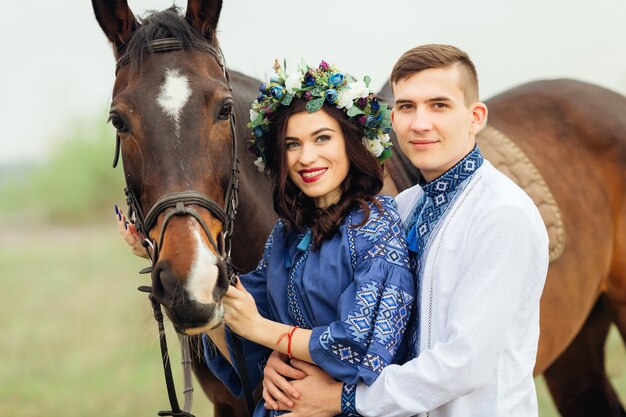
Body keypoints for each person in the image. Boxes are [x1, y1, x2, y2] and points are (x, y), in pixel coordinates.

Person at [262, 44, 550, 417]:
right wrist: (280, 356)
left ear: (476, 116)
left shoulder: (501, 213)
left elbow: (466, 362)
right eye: (407, 106)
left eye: (439, 105)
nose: (420, 123)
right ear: (393, 117)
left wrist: (345, 400)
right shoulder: (402, 206)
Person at [117, 59, 416, 417]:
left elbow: (364, 348)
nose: (307, 157)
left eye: (322, 138)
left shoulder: (378, 225)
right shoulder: (285, 237)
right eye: (292, 144)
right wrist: (172, 266)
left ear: (351, 144)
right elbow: (243, 351)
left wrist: (266, 332)